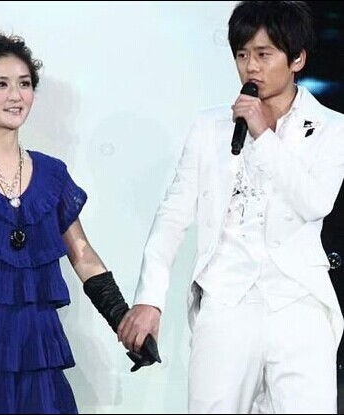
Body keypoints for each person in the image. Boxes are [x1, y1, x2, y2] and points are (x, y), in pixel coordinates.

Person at [0, 28, 158, 414]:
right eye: (1, 84)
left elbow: (84, 257)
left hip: (34, 350)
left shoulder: (52, 176)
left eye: (24, 84)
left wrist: (126, 326)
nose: (16, 95)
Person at [118, 1, 344, 413]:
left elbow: (315, 202)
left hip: (299, 304)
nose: (250, 67)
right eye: (242, 55)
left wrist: (263, 135)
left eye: (263, 54)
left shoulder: (332, 128)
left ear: (297, 59)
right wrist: (150, 298)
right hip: (226, 300)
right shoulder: (210, 128)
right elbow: (172, 217)